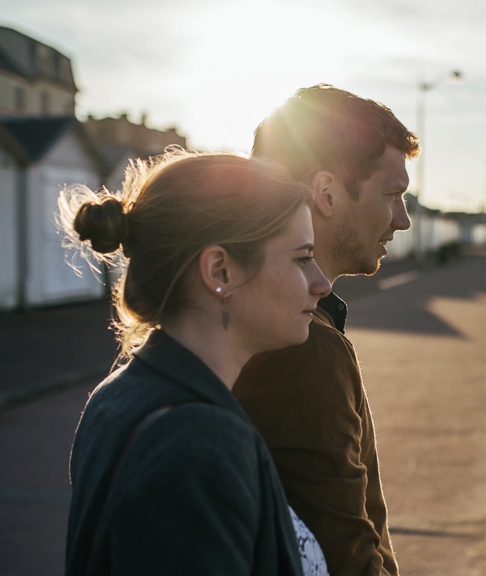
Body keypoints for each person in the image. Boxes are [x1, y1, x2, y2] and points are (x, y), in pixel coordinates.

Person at [61, 152, 332, 576]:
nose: (322, 283)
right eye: (301, 258)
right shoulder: (201, 443)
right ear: (219, 270)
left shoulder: (118, 393)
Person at [232, 85, 418, 576]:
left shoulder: (226, 319)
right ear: (328, 192)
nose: (403, 220)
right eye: (393, 195)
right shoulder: (301, 345)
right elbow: (347, 559)